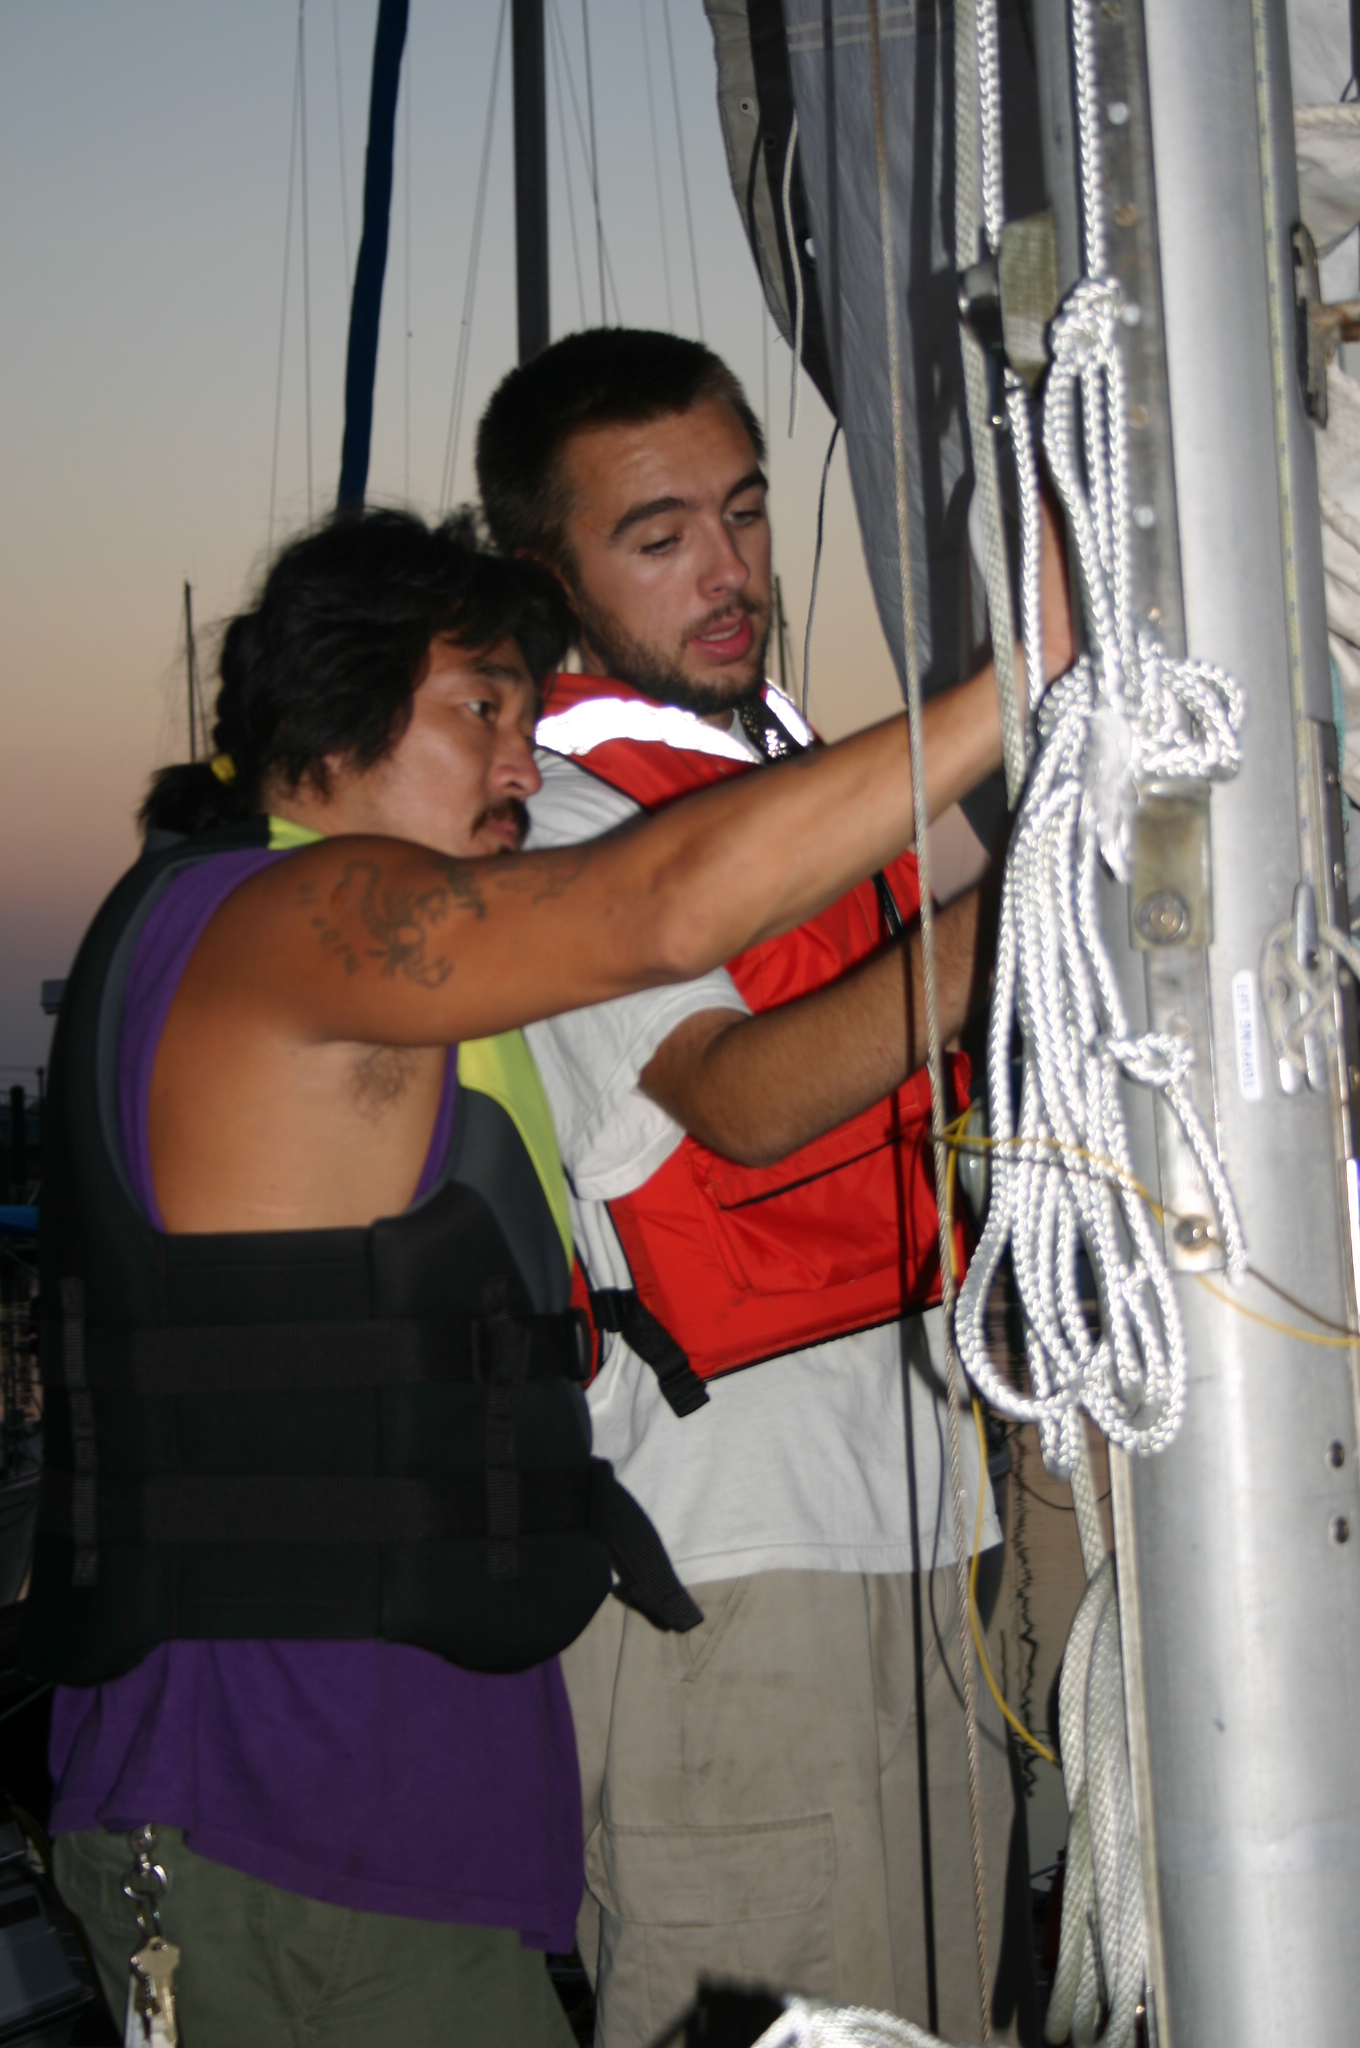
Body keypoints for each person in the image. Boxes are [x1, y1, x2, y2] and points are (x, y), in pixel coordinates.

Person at [28, 508, 987, 2048]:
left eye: (528, 721)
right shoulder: (280, 923)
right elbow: (658, 910)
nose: (525, 768)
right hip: (280, 1831)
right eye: (480, 708)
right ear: (329, 708)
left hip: (373, 1840)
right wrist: (1040, 686)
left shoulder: (342, 962)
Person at [476, 330, 1073, 2047]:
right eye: (659, 538)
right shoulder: (561, 831)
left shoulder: (780, 795)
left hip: (929, 1526)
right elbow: (736, 1103)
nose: (730, 571)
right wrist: (1017, 909)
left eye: (742, 513)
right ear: (550, 579)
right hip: (733, 1573)